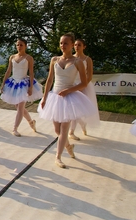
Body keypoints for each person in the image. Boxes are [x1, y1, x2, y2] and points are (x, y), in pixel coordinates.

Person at [37, 33, 99, 168]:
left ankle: (58, 157)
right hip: (55, 98)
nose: (62, 46)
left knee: (64, 129)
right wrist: (45, 97)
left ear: (72, 45)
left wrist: (69, 91)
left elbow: (84, 83)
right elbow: (49, 80)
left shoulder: (78, 62)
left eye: (65, 43)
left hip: (69, 98)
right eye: (61, 43)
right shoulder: (54, 59)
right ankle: (68, 147)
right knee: (57, 130)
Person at [0, 38, 43, 137]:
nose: (19, 47)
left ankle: (15, 128)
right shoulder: (12, 57)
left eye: (21, 45)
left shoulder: (28, 58)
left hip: (23, 83)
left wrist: (31, 87)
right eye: (17, 45)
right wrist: (3, 84)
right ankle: (31, 122)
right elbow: (8, 71)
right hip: (14, 83)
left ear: (25, 46)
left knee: (20, 106)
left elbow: (31, 73)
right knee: (17, 106)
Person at [69, 38, 99, 140]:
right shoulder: (71, 58)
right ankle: (74, 129)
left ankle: (76, 128)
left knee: (79, 109)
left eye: (79, 45)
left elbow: (89, 75)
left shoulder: (87, 59)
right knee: (72, 109)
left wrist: (82, 86)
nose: (77, 47)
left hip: (84, 85)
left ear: (84, 47)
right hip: (72, 85)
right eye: (75, 45)